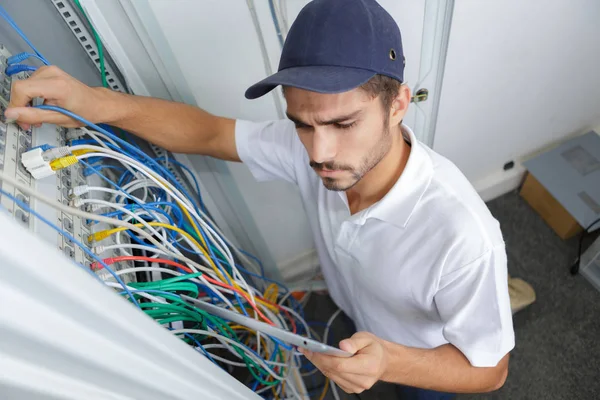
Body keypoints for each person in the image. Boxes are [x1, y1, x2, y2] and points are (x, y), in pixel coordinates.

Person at [5, 0, 514, 398]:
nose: (320, 152)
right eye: (302, 124)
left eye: (343, 123)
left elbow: (490, 371)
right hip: (358, 322)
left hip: (422, 358)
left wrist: (392, 363)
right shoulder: (310, 149)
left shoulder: (463, 237)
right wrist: (96, 103)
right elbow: (207, 133)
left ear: (398, 104)